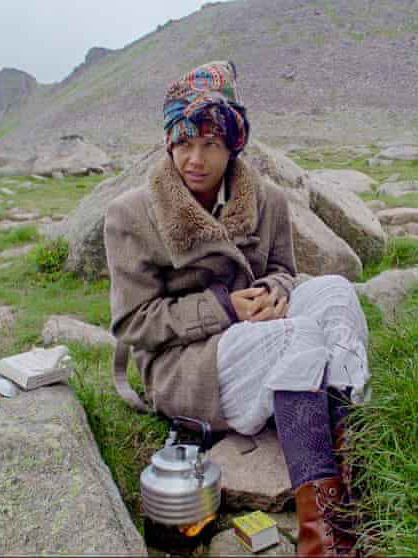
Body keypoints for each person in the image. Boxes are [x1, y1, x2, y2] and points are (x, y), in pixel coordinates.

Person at [104, 61, 371, 557]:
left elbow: (283, 269)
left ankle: (347, 471)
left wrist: (274, 291)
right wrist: (225, 307)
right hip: (186, 365)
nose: (195, 158)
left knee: (334, 291)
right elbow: (133, 322)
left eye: (210, 143)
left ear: (233, 145)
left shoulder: (267, 200)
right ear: (168, 143)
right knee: (298, 336)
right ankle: (326, 536)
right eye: (183, 142)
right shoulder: (131, 214)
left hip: (257, 332)